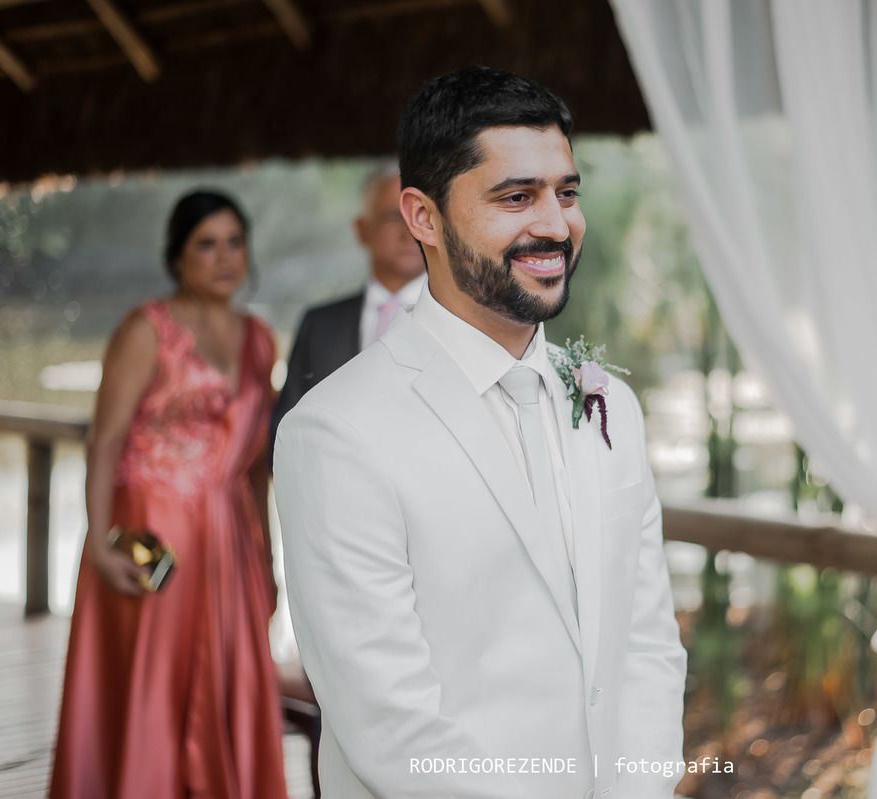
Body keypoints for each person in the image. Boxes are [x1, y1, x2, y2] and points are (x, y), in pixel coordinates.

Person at [273, 66, 687, 799]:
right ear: (424, 217)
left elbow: (647, 643)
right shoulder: (335, 433)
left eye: (566, 192)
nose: (556, 225)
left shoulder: (610, 405)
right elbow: (391, 726)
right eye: (516, 196)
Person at [49, 190, 289, 799]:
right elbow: (103, 442)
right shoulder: (145, 329)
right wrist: (101, 543)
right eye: (206, 244)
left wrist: (266, 558)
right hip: (152, 534)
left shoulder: (260, 339)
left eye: (235, 243)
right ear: (178, 257)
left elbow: (256, 465)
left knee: (231, 679)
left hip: (232, 540)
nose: (225, 258)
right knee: (150, 683)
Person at [270, 166, 426, 447]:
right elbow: (285, 432)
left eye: (419, 216)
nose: (408, 231)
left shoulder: (463, 317)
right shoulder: (319, 324)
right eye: (394, 217)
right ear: (362, 230)